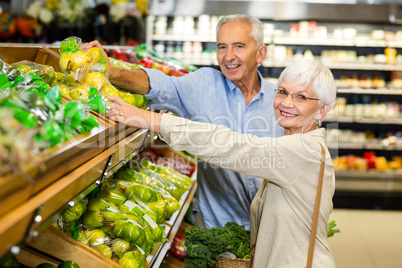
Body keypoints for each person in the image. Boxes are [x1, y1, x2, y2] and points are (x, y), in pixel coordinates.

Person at [104, 59, 337, 267]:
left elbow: (229, 145)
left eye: (302, 97)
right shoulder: (296, 143)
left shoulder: (302, 151)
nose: (287, 103)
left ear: (322, 110)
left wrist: (149, 118)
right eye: (283, 92)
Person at [82, 14, 284, 230]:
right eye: (222, 47)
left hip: (272, 229)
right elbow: (161, 85)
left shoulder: (282, 102)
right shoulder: (204, 84)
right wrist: (114, 73)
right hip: (215, 227)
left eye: (239, 46)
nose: (228, 56)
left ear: (260, 53)